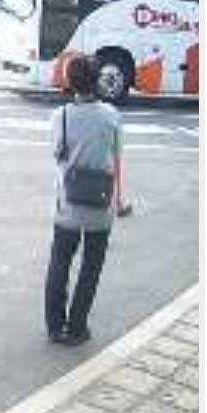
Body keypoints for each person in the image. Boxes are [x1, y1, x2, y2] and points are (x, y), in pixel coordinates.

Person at [44, 52, 123, 345]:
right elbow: (116, 158)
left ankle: (55, 326)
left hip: (68, 203)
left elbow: (57, 153)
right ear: (97, 80)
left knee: (60, 262)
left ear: (70, 81)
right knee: (91, 266)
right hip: (100, 205)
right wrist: (120, 200)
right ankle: (77, 327)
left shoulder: (61, 116)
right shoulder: (111, 116)